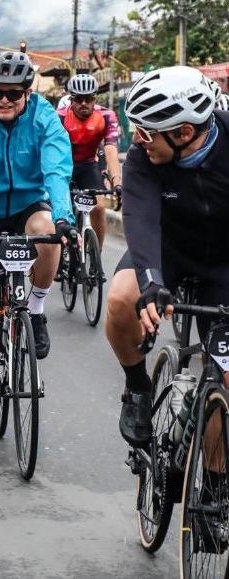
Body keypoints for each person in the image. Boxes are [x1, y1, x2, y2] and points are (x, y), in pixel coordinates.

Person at [0, 51, 75, 431]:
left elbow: (56, 169)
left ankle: (35, 309)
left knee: (47, 231)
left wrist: (64, 218)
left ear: (27, 92)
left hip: (26, 205)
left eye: (13, 93)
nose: (4, 100)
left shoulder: (43, 117)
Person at [105, 66, 229, 447]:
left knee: (224, 381)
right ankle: (137, 387)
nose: (137, 140)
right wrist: (151, 283)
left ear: (183, 132)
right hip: (167, 250)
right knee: (122, 298)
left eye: (145, 132)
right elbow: (140, 218)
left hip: (222, 263)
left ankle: (212, 482)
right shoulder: (144, 158)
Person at [57, 74, 122, 248]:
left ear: (95, 98)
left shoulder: (106, 116)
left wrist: (117, 182)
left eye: (89, 98)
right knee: (60, 210)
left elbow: (110, 148)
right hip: (63, 167)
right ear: (71, 99)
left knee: (99, 207)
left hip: (88, 165)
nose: (84, 103)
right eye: (79, 99)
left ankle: (96, 255)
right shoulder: (59, 117)